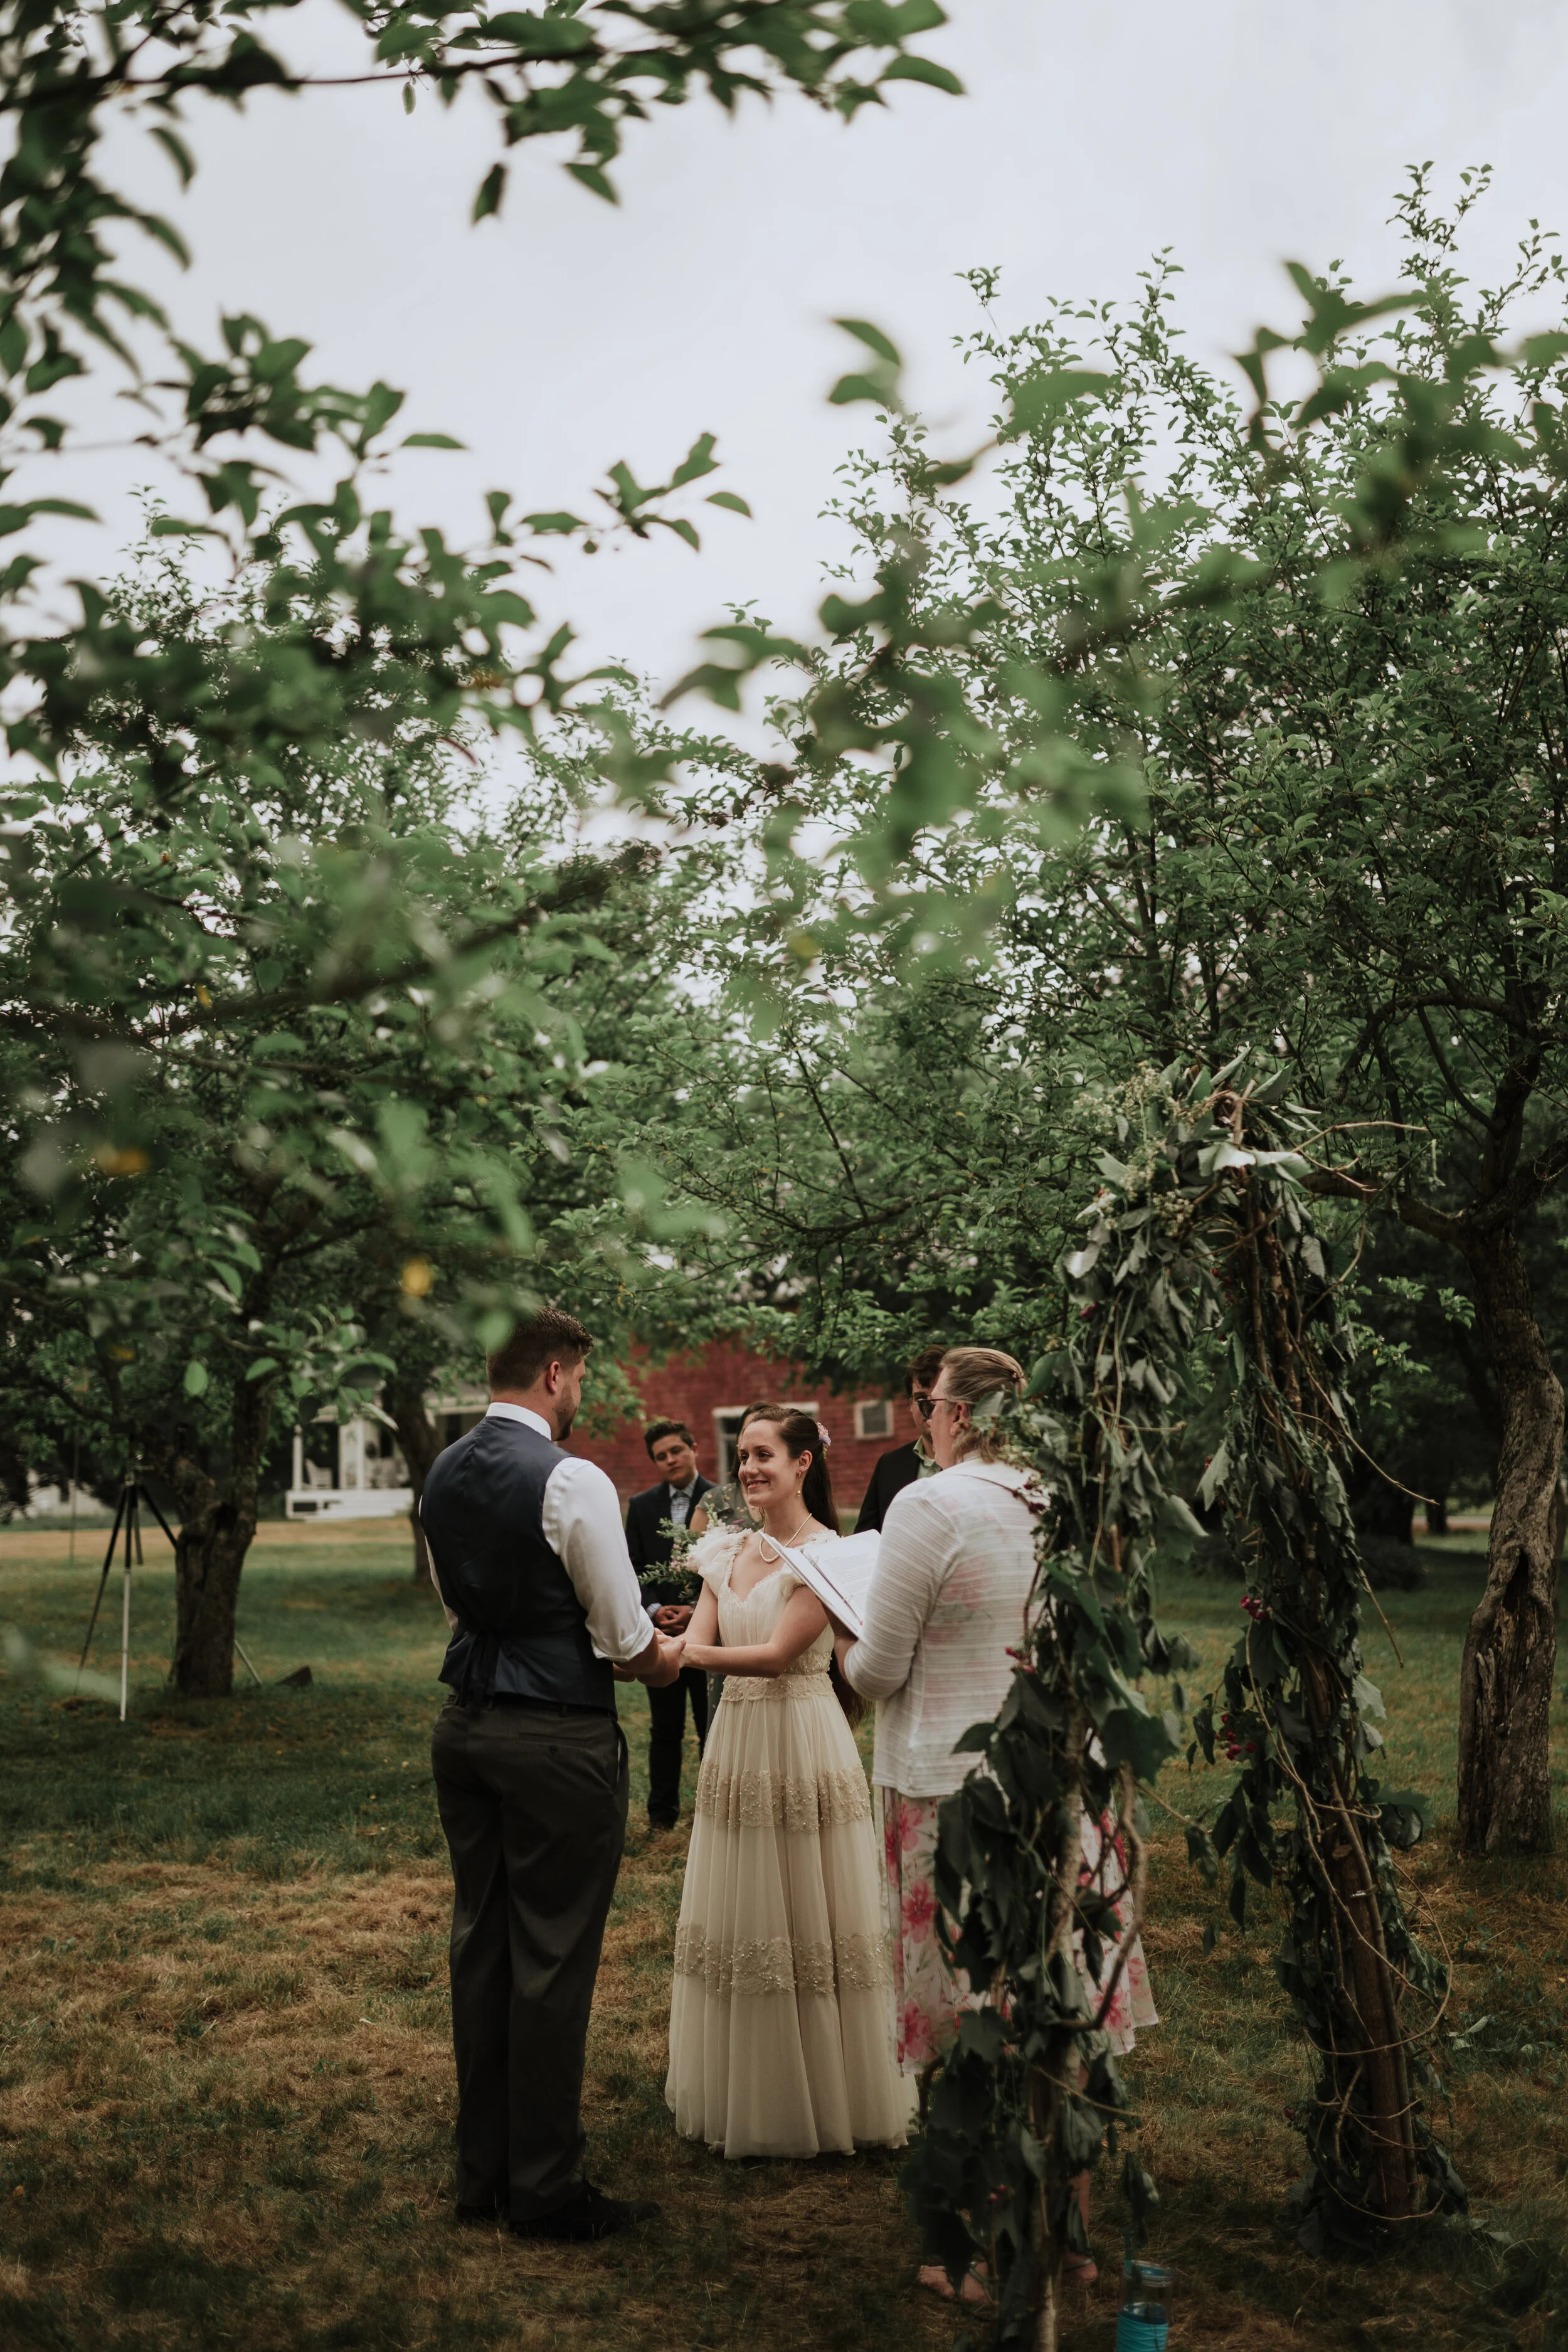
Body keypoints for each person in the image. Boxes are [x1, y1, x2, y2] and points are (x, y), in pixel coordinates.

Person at [836, 1345, 1157, 2295]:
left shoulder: (927, 1504)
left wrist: (845, 1637)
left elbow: (882, 1669)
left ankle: (955, 2250)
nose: (924, 1422)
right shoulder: (1062, 1499)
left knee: (961, 2018)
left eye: (930, 1406)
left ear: (962, 1413)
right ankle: (1072, 2236)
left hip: (950, 1789)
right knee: (1062, 2004)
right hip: (1062, 1785)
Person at [421, 1308, 686, 2242]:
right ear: (558, 1373)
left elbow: (457, 1606)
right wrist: (674, 1652)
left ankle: (482, 2174)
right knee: (551, 1959)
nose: (581, 1393)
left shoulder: (443, 1470)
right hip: (555, 1740)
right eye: (580, 1378)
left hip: (465, 1729)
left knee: (482, 1946)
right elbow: (623, 1641)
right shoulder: (572, 1477)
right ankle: (545, 2189)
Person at [664, 1402, 907, 2159]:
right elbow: (701, 1637)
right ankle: (750, 2084)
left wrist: (674, 1657)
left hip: (801, 1734)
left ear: (804, 1463)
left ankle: (828, 2089)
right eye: (742, 1455)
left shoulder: (827, 1557)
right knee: (745, 1907)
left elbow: (773, 1654)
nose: (749, 1469)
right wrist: (666, 1648)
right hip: (736, 1739)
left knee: (810, 1908)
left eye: (765, 1455)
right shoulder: (725, 1550)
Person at [625, 1419, 716, 1831]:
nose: (670, 1461)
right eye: (661, 1457)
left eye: (676, 1451)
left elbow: (730, 1569)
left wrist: (696, 1610)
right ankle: (662, 1818)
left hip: (709, 1634)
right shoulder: (642, 1506)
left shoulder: (719, 1500)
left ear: (694, 1448)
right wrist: (655, 1608)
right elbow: (631, 1568)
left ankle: (714, 1813)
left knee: (710, 1725)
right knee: (665, 1728)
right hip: (659, 1636)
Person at [854, 1343, 945, 1534]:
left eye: (937, 1396)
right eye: (920, 1398)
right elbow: (865, 1536)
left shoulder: (971, 1461)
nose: (928, 1406)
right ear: (910, 1405)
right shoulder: (889, 1464)